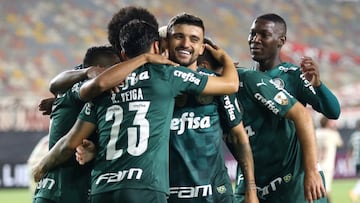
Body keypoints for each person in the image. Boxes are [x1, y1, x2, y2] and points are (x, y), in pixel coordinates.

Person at [32, 7, 239, 203]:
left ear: (121, 52)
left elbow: (70, 135)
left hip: (102, 187)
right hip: (145, 187)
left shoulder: (104, 82)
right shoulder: (167, 75)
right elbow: (230, 84)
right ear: (157, 46)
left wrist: (42, 165)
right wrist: (224, 59)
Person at [164, 14, 257, 203]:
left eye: (194, 39)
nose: (185, 43)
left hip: (215, 194)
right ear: (166, 41)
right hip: (167, 195)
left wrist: (251, 190)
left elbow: (239, 137)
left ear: (201, 48)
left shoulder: (218, 85)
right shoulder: (154, 84)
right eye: (178, 36)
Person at [32, 45, 121, 203]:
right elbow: (56, 84)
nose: (120, 73)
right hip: (63, 191)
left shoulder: (80, 90)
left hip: (64, 189)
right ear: (99, 69)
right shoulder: (82, 87)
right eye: (115, 68)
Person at [226, 67, 327, 203]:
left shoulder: (251, 80)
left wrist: (312, 170)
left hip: (291, 176)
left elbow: (313, 114)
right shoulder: (208, 94)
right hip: (254, 178)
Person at [247, 13, 340, 120]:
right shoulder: (244, 78)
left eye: (265, 35)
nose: (255, 39)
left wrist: (318, 85)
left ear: (281, 41)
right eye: (252, 34)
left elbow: (334, 112)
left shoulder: (294, 76)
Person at [315, 116, 343, 202]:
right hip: (327, 165)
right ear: (327, 123)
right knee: (327, 190)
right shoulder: (333, 134)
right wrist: (334, 129)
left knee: (316, 188)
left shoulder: (316, 132)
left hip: (316, 165)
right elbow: (340, 144)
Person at [348, 120, 360, 203]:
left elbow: (350, 150)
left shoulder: (354, 136)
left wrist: (348, 161)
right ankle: (355, 192)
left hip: (356, 162)